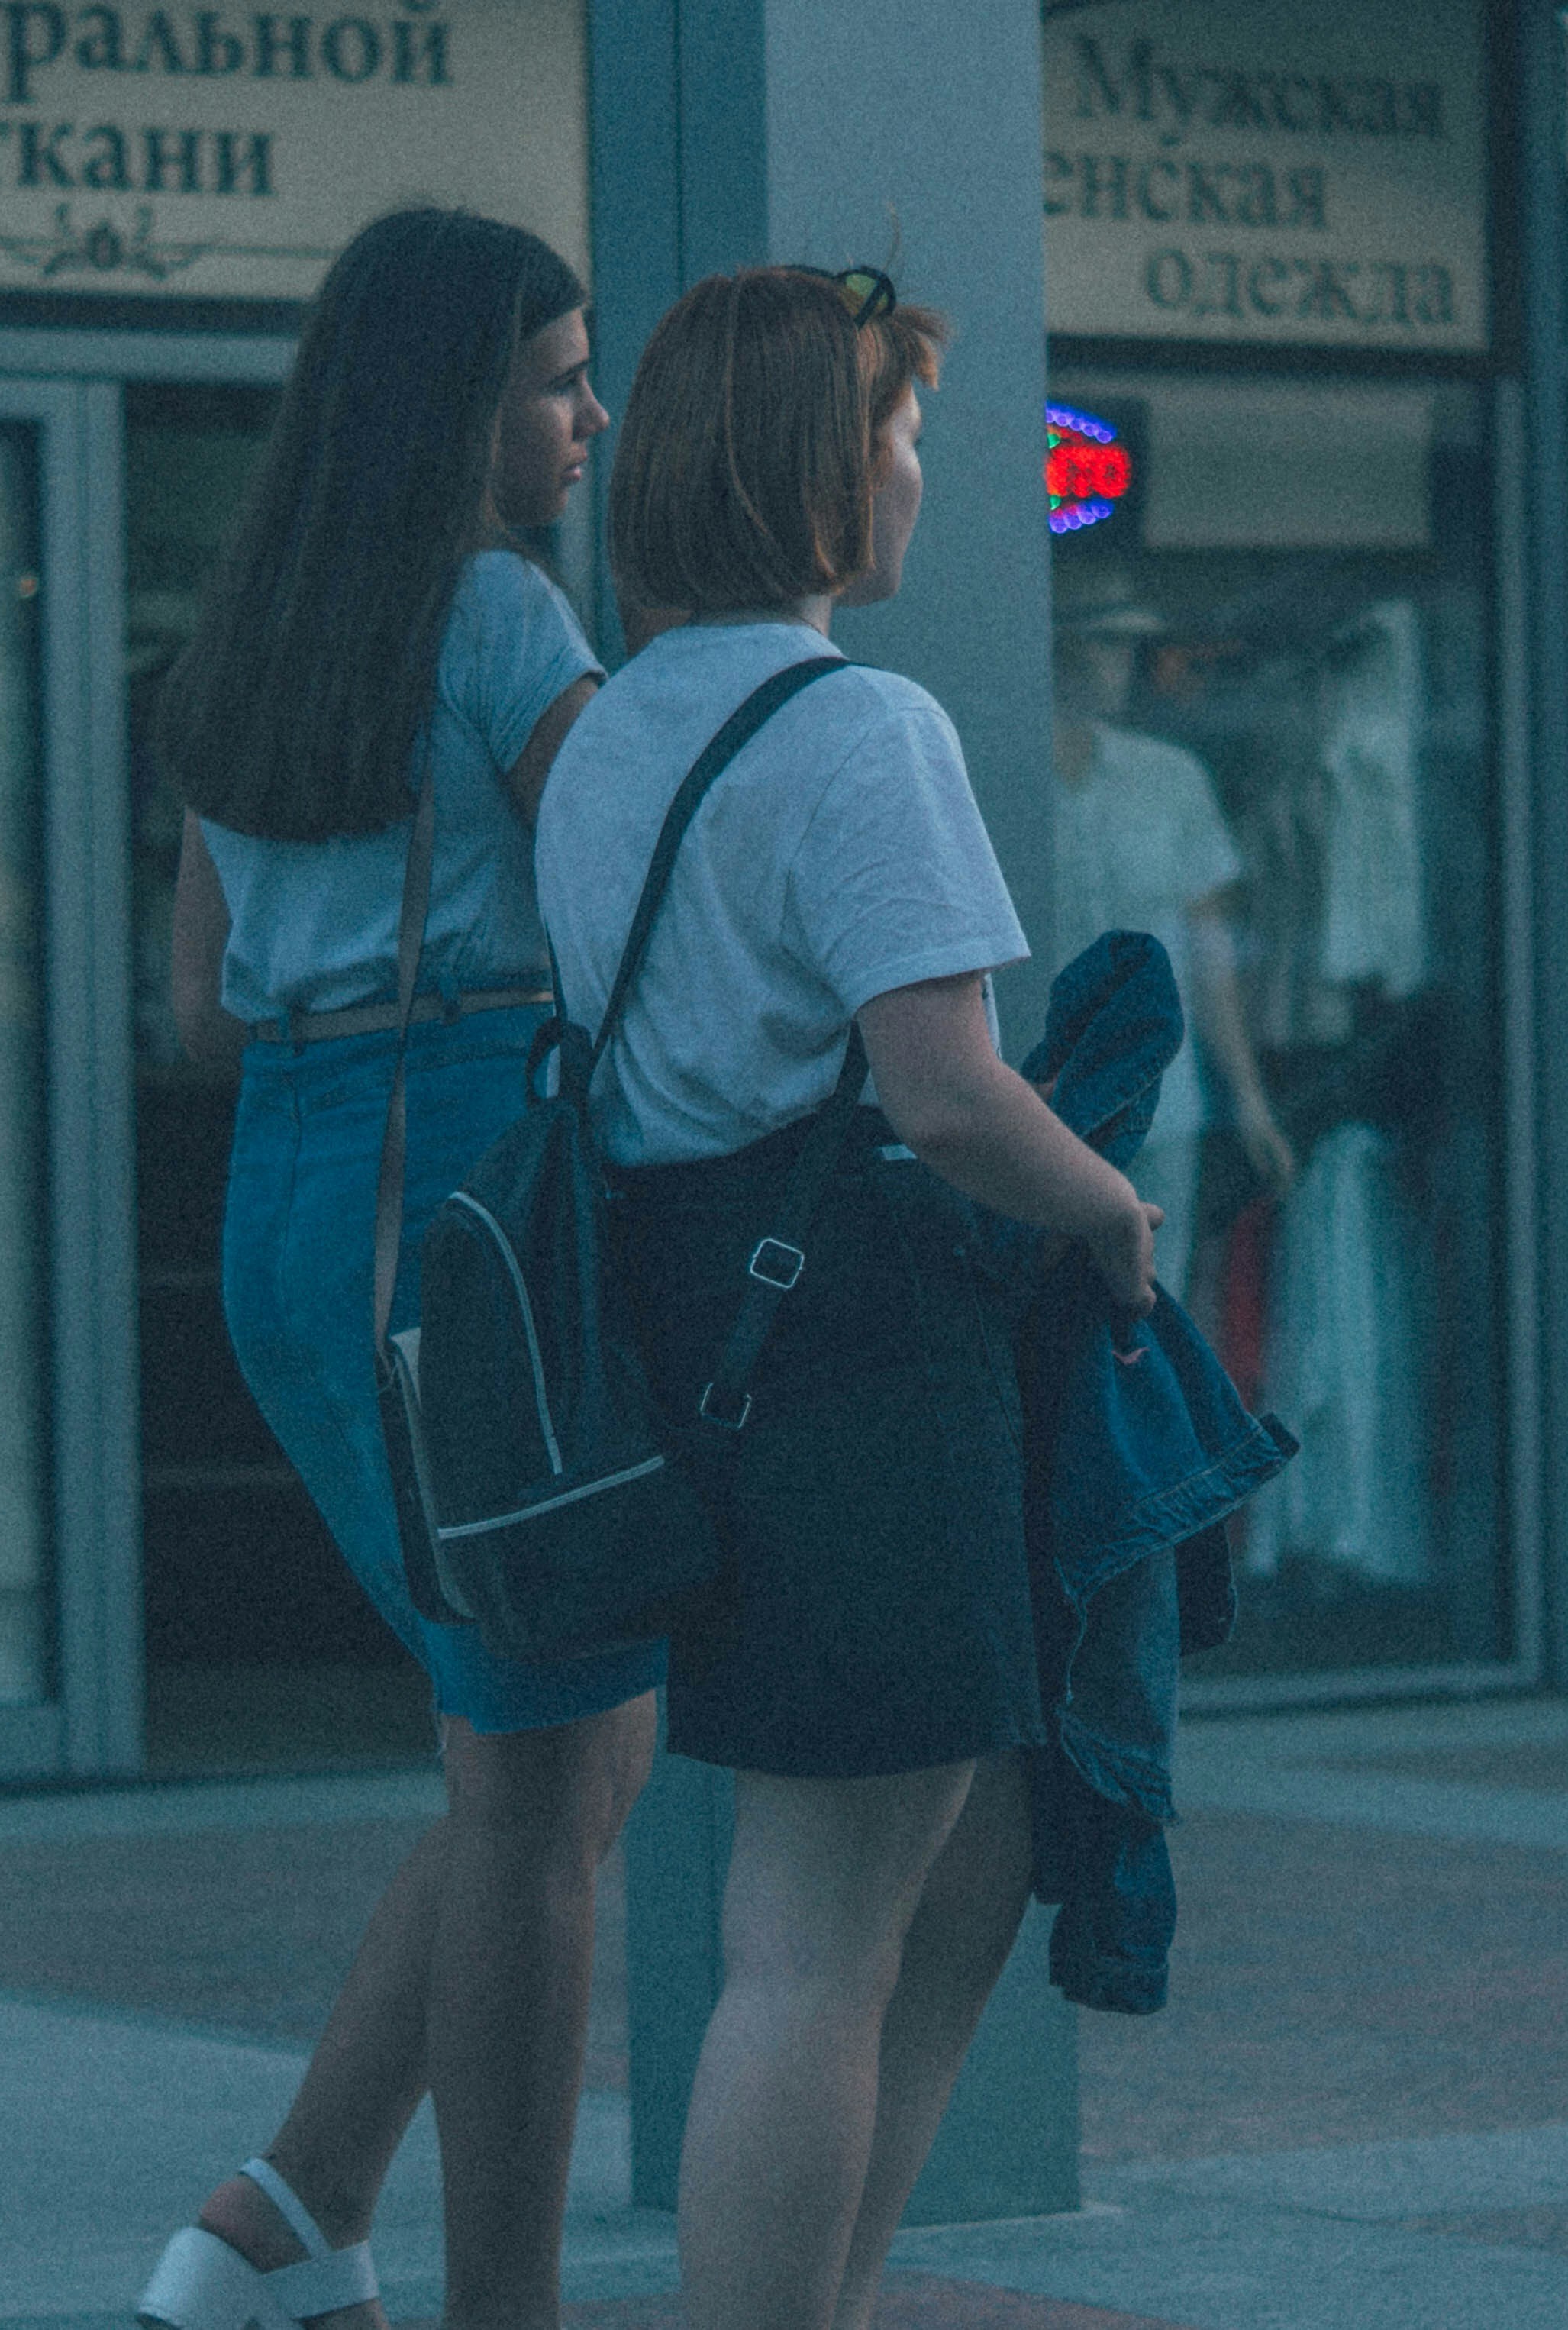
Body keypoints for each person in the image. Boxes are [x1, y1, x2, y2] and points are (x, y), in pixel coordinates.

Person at [534, 265, 1157, 2330]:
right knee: (811, 1929)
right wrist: (1116, 1215)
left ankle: (829, 2289)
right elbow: (948, 1091)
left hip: (705, 1336)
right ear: (813, 461)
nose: (917, 467)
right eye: (896, 429)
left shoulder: (620, 724)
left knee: (943, 1859)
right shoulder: (859, 728)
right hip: (862, 1358)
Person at [135, 206, 644, 2330]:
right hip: (467, 1205)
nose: (591, 417)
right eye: (555, 377)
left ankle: (287, 2210)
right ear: (460, 404)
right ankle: (489, 2307)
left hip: (289, 1205)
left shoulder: (244, 641)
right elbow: (637, 893)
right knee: (539, 1780)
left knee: (528, 1757)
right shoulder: (505, 620)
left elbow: (207, 1019)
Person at [1046, 563, 1294, 1276]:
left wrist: (1247, 1097)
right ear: (1060, 647)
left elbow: (1211, 950)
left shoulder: (1172, 778)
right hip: (1039, 1096)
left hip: (1162, 1096)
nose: (1123, 662)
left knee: (1159, 1292)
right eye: (1104, 643)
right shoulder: (1001, 773)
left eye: (1130, 644)